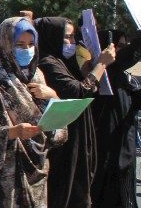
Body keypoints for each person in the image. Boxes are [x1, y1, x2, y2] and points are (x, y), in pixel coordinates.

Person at [0, 17, 67, 207]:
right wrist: (12, 132)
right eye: (19, 44)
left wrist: (53, 97)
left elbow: (57, 132)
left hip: (38, 171)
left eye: (30, 44)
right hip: (7, 178)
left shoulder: (36, 75)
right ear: (6, 44)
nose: (26, 49)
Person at [35, 17, 116, 208]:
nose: (71, 44)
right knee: (67, 190)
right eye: (66, 38)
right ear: (52, 37)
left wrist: (90, 66)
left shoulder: (61, 60)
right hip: (65, 139)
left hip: (77, 133)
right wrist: (101, 64)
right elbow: (79, 91)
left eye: (73, 38)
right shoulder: (47, 61)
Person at [91, 29, 141, 208]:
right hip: (108, 148)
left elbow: (133, 103)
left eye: (123, 46)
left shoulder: (122, 76)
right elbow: (124, 58)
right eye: (118, 46)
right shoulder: (103, 72)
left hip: (124, 146)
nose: (120, 50)